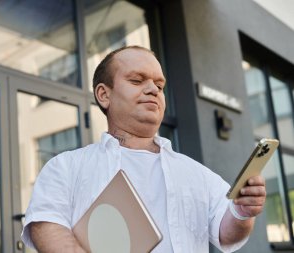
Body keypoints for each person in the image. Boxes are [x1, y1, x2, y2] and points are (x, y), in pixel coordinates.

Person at [21, 45, 266, 253]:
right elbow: (46, 225)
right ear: (104, 95)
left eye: (159, 86)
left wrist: (242, 212)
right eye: (137, 80)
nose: (153, 90)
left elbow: (227, 234)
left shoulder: (197, 174)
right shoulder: (65, 167)